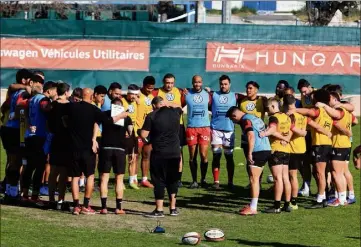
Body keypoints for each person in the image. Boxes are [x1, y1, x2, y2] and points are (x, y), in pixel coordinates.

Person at [67, 88, 128, 215]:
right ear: (92, 96)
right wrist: (121, 115)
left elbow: (64, 119)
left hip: (73, 147)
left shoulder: (71, 107)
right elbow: (108, 121)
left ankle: (76, 205)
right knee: (89, 176)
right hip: (88, 147)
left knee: (75, 177)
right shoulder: (94, 110)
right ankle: (85, 205)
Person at [290, 89, 334, 209]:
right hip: (327, 144)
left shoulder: (318, 110)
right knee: (322, 173)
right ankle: (323, 197)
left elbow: (310, 112)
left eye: (314, 98)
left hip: (320, 144)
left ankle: (320, 200)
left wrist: (295, 109)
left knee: (320, 173)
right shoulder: (328, 111)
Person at [140, 96, 182, 218]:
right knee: (173, 180)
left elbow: (144, 134)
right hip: (174, 152)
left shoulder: (152, 115)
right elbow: (178, 106)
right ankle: (173, 208)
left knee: (159, 181)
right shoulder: (175, 113)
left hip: (159, 152)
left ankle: (159, 210)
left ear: (153, 106)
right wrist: (167, 103)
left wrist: (146, 138)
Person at [226, 106, 271, 216]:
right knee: (256, 179)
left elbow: (250, 135)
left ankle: (253, 207)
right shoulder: (254, 117)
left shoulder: (245, 120)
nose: (234, 122)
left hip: (258, 151)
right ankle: (252, 205)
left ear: (235, 116)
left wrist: (250, 152)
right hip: (266, 149)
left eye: (233, 120)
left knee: (253, 179)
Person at [22, 79, 57, 204]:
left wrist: (29, 125)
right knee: (40, 166)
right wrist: (55, 106)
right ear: (49, 90)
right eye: (55, 91)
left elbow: (25, 113)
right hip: (39, 136)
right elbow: (47, 109)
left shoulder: (31, 99)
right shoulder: (43, 99)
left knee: (30, 166)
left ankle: (25, 193)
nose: (56, 93)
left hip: (30, 135)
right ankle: (35, 195)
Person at [316, 92, 353, 207]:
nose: (328, 101)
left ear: (334, 99)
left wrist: (324, 106)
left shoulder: (340, 109)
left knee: (337, 173)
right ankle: (341, 198)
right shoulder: (346, 110)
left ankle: (341, 199)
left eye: (329, 99)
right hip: (343, 144)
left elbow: (336, 116)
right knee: (338, 173)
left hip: (339, 145)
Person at [98, 98, 133, 215]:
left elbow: (99, 124)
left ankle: (104, 207)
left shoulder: (104, 114)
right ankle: (119, 207)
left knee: (104, 178)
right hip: (120, 149)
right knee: (119, 179)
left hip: (106, 148)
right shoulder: (126, 117)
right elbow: (130, 133)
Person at [3, 69, 33, 201]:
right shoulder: (23, 93)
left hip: (8, 130)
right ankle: (13, 192)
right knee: (17, 161)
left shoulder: (15, 92)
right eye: (31, 81)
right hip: (16, 130)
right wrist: (22, 134)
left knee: (12, 161)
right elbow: (20, 111)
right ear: (24, 81)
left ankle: (10, 189)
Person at [152, 74, 186, 187]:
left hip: (177, 126)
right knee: (161, 151)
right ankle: (161, 176)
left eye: (171, 83)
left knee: (178, 152)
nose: (169, 85)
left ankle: (178, 178)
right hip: (161, 125)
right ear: (163, 82)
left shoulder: (179, 92)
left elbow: (180, 106)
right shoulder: (157, 92)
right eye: (167, 82)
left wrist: (167, 104)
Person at [260, 98, 292, 213]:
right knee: (285, 178)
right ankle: (287, 204)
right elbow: (291, 130)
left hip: (276, 150)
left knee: (278, 179)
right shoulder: (286, 117)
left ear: (273, 106)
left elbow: (272, 129)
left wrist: (264, 133)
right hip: (286, 150)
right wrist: (286, 138)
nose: (267, 111)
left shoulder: (274, 118)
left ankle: (276, 206)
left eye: (268, 108)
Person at [237, 81, 268, 188]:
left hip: (259, 137)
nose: (248, 90)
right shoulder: (241, 100)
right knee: (249, 160)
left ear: (256, 90)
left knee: (258, 161)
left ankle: (257, 181)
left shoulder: (262, 100)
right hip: (245, 135)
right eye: (247, 88)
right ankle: (252, 181)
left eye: (250, 88)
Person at [184, 75, 211, 189]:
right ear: (192, 82)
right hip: (191, 128)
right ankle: (194, 180)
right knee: (192, 156)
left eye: (199, 82)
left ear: (202, 83)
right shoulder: (186, 94)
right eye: (195, 82)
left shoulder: (208, 94)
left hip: (204, 127)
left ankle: (203, 179)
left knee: (204, 155)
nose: (197, 84)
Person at [209, 75, 236, 189]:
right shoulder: (214, 95)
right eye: (221, 84)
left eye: (225, 84)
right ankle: (216, 182)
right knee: (216, 155)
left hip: (229, 130)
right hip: (216, 129)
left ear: (229, 84)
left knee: (229, 157)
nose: (223, 86)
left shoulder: (235, 96)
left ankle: (230, 182)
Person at [135, 76, 156, 188]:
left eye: (152, 88)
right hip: (138, 130)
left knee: (147, 154)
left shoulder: (153, 97)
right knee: (136, 155)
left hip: (149, 132)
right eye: (148, 88)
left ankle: (144, 179)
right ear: (143, 85)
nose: (150, 90)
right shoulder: (137, 96)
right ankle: (133, 178)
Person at [121, 84, 140, 189]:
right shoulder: (122, 102)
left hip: (134, 133)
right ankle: (121, 181)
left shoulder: (138, 102)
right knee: (122, 157)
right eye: (131, 94)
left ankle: (132, 180)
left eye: (135, 94)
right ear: (127, 93)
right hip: (124, 133)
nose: (133, 96)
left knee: (133, 157)